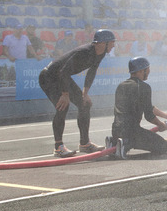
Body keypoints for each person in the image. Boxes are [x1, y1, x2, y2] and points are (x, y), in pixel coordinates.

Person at [37, 29, 116, 157]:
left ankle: (85, 144)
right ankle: (58, 147)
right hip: (49, 77)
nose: (113, 46)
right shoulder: (84, 52)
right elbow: (63, 72)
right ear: (103, 43)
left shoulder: (100, 53)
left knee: (85, 104)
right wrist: (65, 95)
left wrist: (85, 93)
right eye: (112, 42)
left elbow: (92, 71)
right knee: (63, 106)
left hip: (62, 77)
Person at [108, 56, 167, 158]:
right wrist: (161, 125)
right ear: (142, 70)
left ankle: (114, 141)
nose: (149, 72)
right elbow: (149, 115)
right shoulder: (143, 87)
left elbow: (148, 107)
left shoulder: (121, 85)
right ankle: (126, 143)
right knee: (163, 146)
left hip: (116, 129)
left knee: (135, 134)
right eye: (148, 69)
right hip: (132, 131)